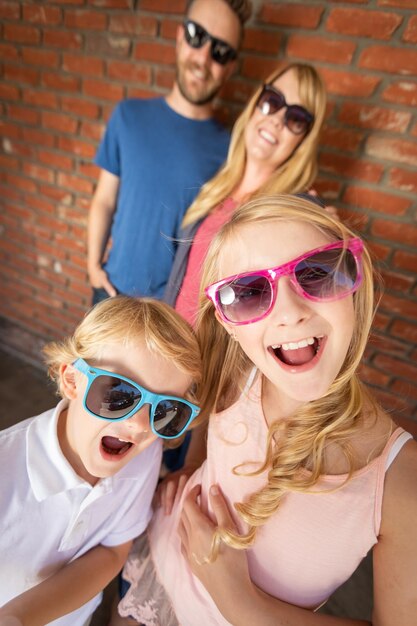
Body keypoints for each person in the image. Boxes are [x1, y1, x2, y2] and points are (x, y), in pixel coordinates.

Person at [116, 195, 417, 625]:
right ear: (227, 324)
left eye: (317, 273)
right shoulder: (240, 371)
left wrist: (239, 600)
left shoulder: (401, 481)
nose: (291, 313)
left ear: (355, 279)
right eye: (249, 293)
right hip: (163, 561)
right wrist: (194, 464)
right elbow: (215, 419)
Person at [0, 296, 201, 626]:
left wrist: (19, 616)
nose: (139, 425)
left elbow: (112, 551)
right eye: (119, 394)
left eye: (165, 410)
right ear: (72, 381)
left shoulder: (145, 454)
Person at [87, 0, 252, 305]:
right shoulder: (128, 116)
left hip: (169, 318)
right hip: (108, 294)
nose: (203, 58)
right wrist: (93, 266)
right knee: (80, 357)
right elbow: (104, 200)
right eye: (196, 35)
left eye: (220, 51)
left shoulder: (235, 152)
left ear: (230, 67)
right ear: (179, 37)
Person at [165, 61, 328, 326]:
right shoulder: (218, 184)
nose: (276, 119)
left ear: (304, 139)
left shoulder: (293, 211)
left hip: (215, 363)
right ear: (255, 104)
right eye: (272, 101)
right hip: (171, 346)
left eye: (296, 118)